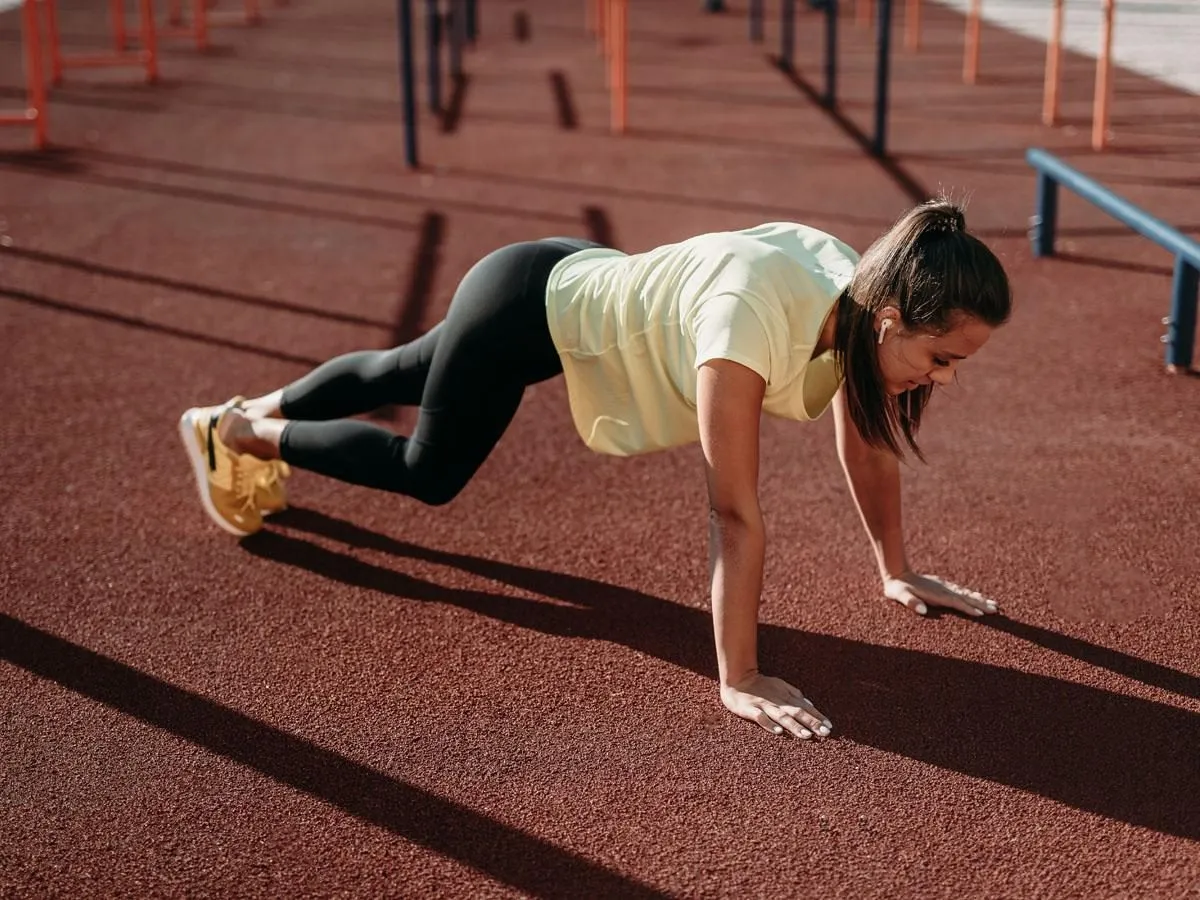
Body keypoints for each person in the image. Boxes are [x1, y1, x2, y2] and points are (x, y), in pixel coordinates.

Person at [178, 197, 1013, 741]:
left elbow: (864, 438)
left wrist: (897, 570)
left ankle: (246, 411)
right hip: (525, 309)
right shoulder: (746, 327)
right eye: (941, 358)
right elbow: (733, 513)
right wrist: (741, 675)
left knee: (408, 369)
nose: (943, 379)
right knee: (427, 468)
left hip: (568, 276)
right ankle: (244, 433)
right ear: (891, 316)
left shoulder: (862, 290)